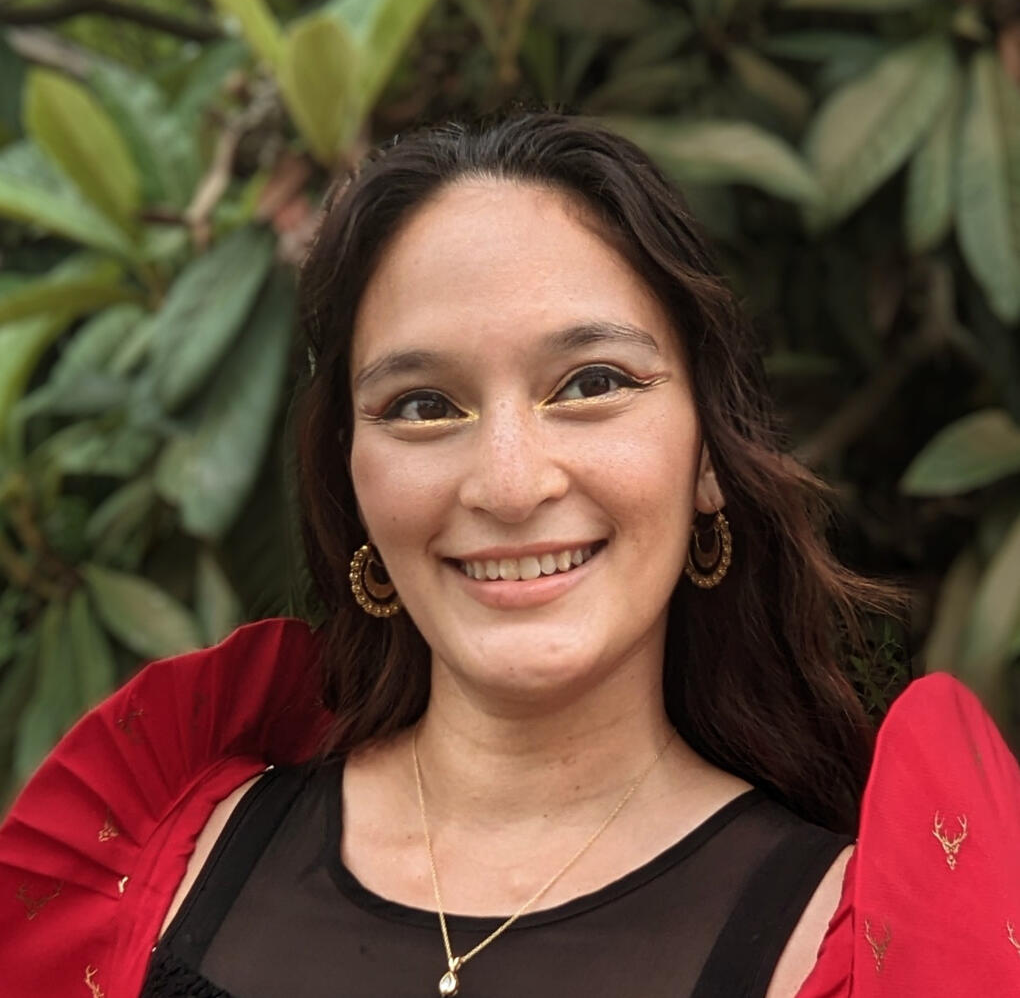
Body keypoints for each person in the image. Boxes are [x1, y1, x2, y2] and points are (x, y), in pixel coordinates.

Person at [1, 110, 1018, 998]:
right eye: (423, 406)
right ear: (350, 482)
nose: (510, 482)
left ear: (709, 457)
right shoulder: (154, 866)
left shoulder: (856, 944)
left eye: (590, 383)